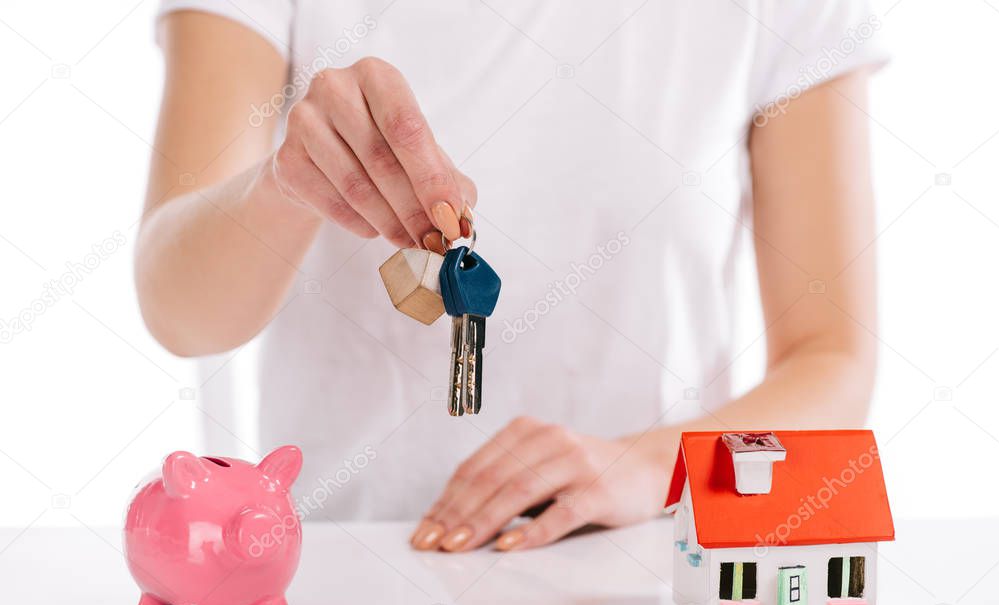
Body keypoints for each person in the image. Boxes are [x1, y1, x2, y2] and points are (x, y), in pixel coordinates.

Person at [136, 0, 886, 553]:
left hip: (649, 577)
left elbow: (832, 361)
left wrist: (648, 462)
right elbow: (181, 309)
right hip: (346, 576)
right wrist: (285, 185)